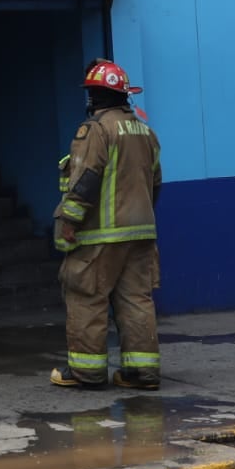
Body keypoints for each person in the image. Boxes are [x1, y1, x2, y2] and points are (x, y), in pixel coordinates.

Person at [50, 60, 163, 391]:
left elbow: (85, 178)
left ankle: (86, 372)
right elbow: (155, 182)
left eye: (93, 93)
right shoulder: (145, 132)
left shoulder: (96, 130)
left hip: (101, 235)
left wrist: (70, 220)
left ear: (97, 96)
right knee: (136, 300)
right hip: (142, 233)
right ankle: (141, 373)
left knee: (86, 295)